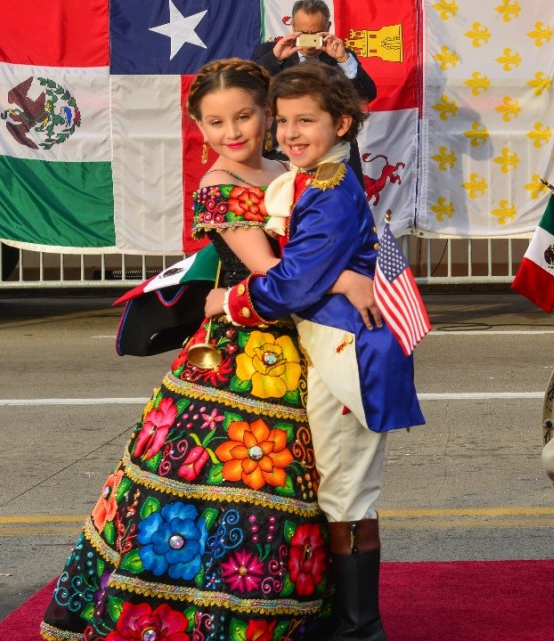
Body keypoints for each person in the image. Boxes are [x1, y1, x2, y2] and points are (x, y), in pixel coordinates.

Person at [39, 58, 379, 641]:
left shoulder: (291, 167)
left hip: (305, 345)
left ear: (267, 115)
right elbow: (275, 273)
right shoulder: (218, 187)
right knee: (226, 483)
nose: (232, 132)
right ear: (198, 127)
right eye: (215, 122)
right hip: (238, 356)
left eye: (244, 116)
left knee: (313, 492)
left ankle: (314, 617)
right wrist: (344, 279)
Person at [203, 62, 424, 641]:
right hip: (325, 342)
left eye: (306, 120)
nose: (289, 133)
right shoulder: (308, 177)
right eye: (282, 121)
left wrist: (225, 301)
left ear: (343, 123)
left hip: (345, 348)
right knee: (337, 488)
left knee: (348, 492)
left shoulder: (325, 187)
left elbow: (293, 283)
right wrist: (346, 275)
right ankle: (346, 619)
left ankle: (359, 627)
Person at [253, 0, 376, 184]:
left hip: (332, 158)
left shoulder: (341, 56)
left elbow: (367, 95)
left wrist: (344, 61)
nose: (309, 41)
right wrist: (274, 59)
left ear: (328, 27)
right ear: (292, 26)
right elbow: (246, 92)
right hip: (281, 157)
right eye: (303, 33)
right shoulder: (270, 53)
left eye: (315, 33)